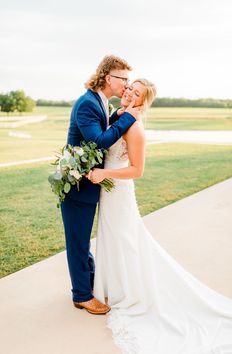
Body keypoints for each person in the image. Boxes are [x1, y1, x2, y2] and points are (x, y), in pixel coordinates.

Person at [88, 79, 232, 353]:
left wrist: (104, 174)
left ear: (142, 102)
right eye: (129, 87)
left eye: (136, 92)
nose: (129, 92)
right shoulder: (119, 116)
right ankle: (114, 287)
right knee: (112, 237)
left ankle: (129, 293)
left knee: (126, 241)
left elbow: (137, 170)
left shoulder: (135, 128)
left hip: (119, 192)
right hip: (108, 193)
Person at [60, 55, 142, 315]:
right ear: (109, 78)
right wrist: (128, 117)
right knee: (78, 242)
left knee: (83, 240)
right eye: (123, 79)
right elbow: (97, 141)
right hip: (77, 186)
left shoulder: (100, 101)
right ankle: (82, 295)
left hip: (90, 183)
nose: (126, 85)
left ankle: (89, 285)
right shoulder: (87, 103)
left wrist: (118, 114)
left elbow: (102, 126)